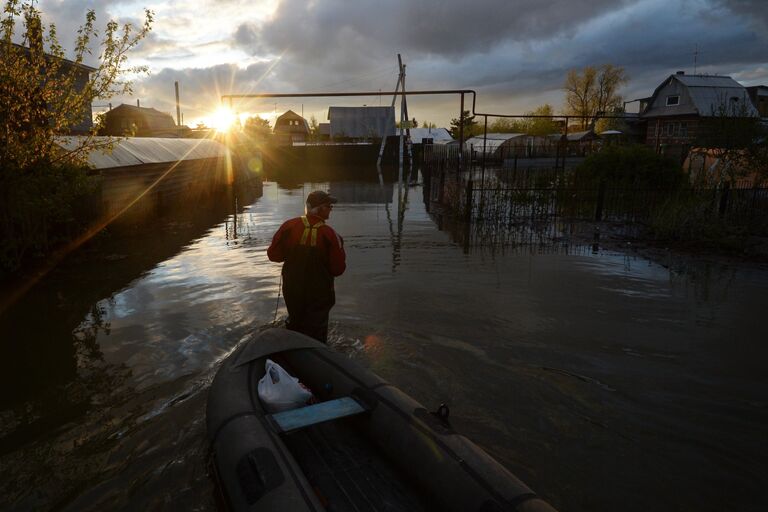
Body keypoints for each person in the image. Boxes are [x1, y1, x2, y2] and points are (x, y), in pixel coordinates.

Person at [267, 190, 346, 343]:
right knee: (317, 334)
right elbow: (338, 269)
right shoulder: (331, 235)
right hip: (320, 294)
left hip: (292, 289)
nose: (331, 209)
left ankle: (292, 353)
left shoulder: (288, 227)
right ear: (320, 208)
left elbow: (273, 255)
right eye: (329, 206)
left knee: (295, 325)